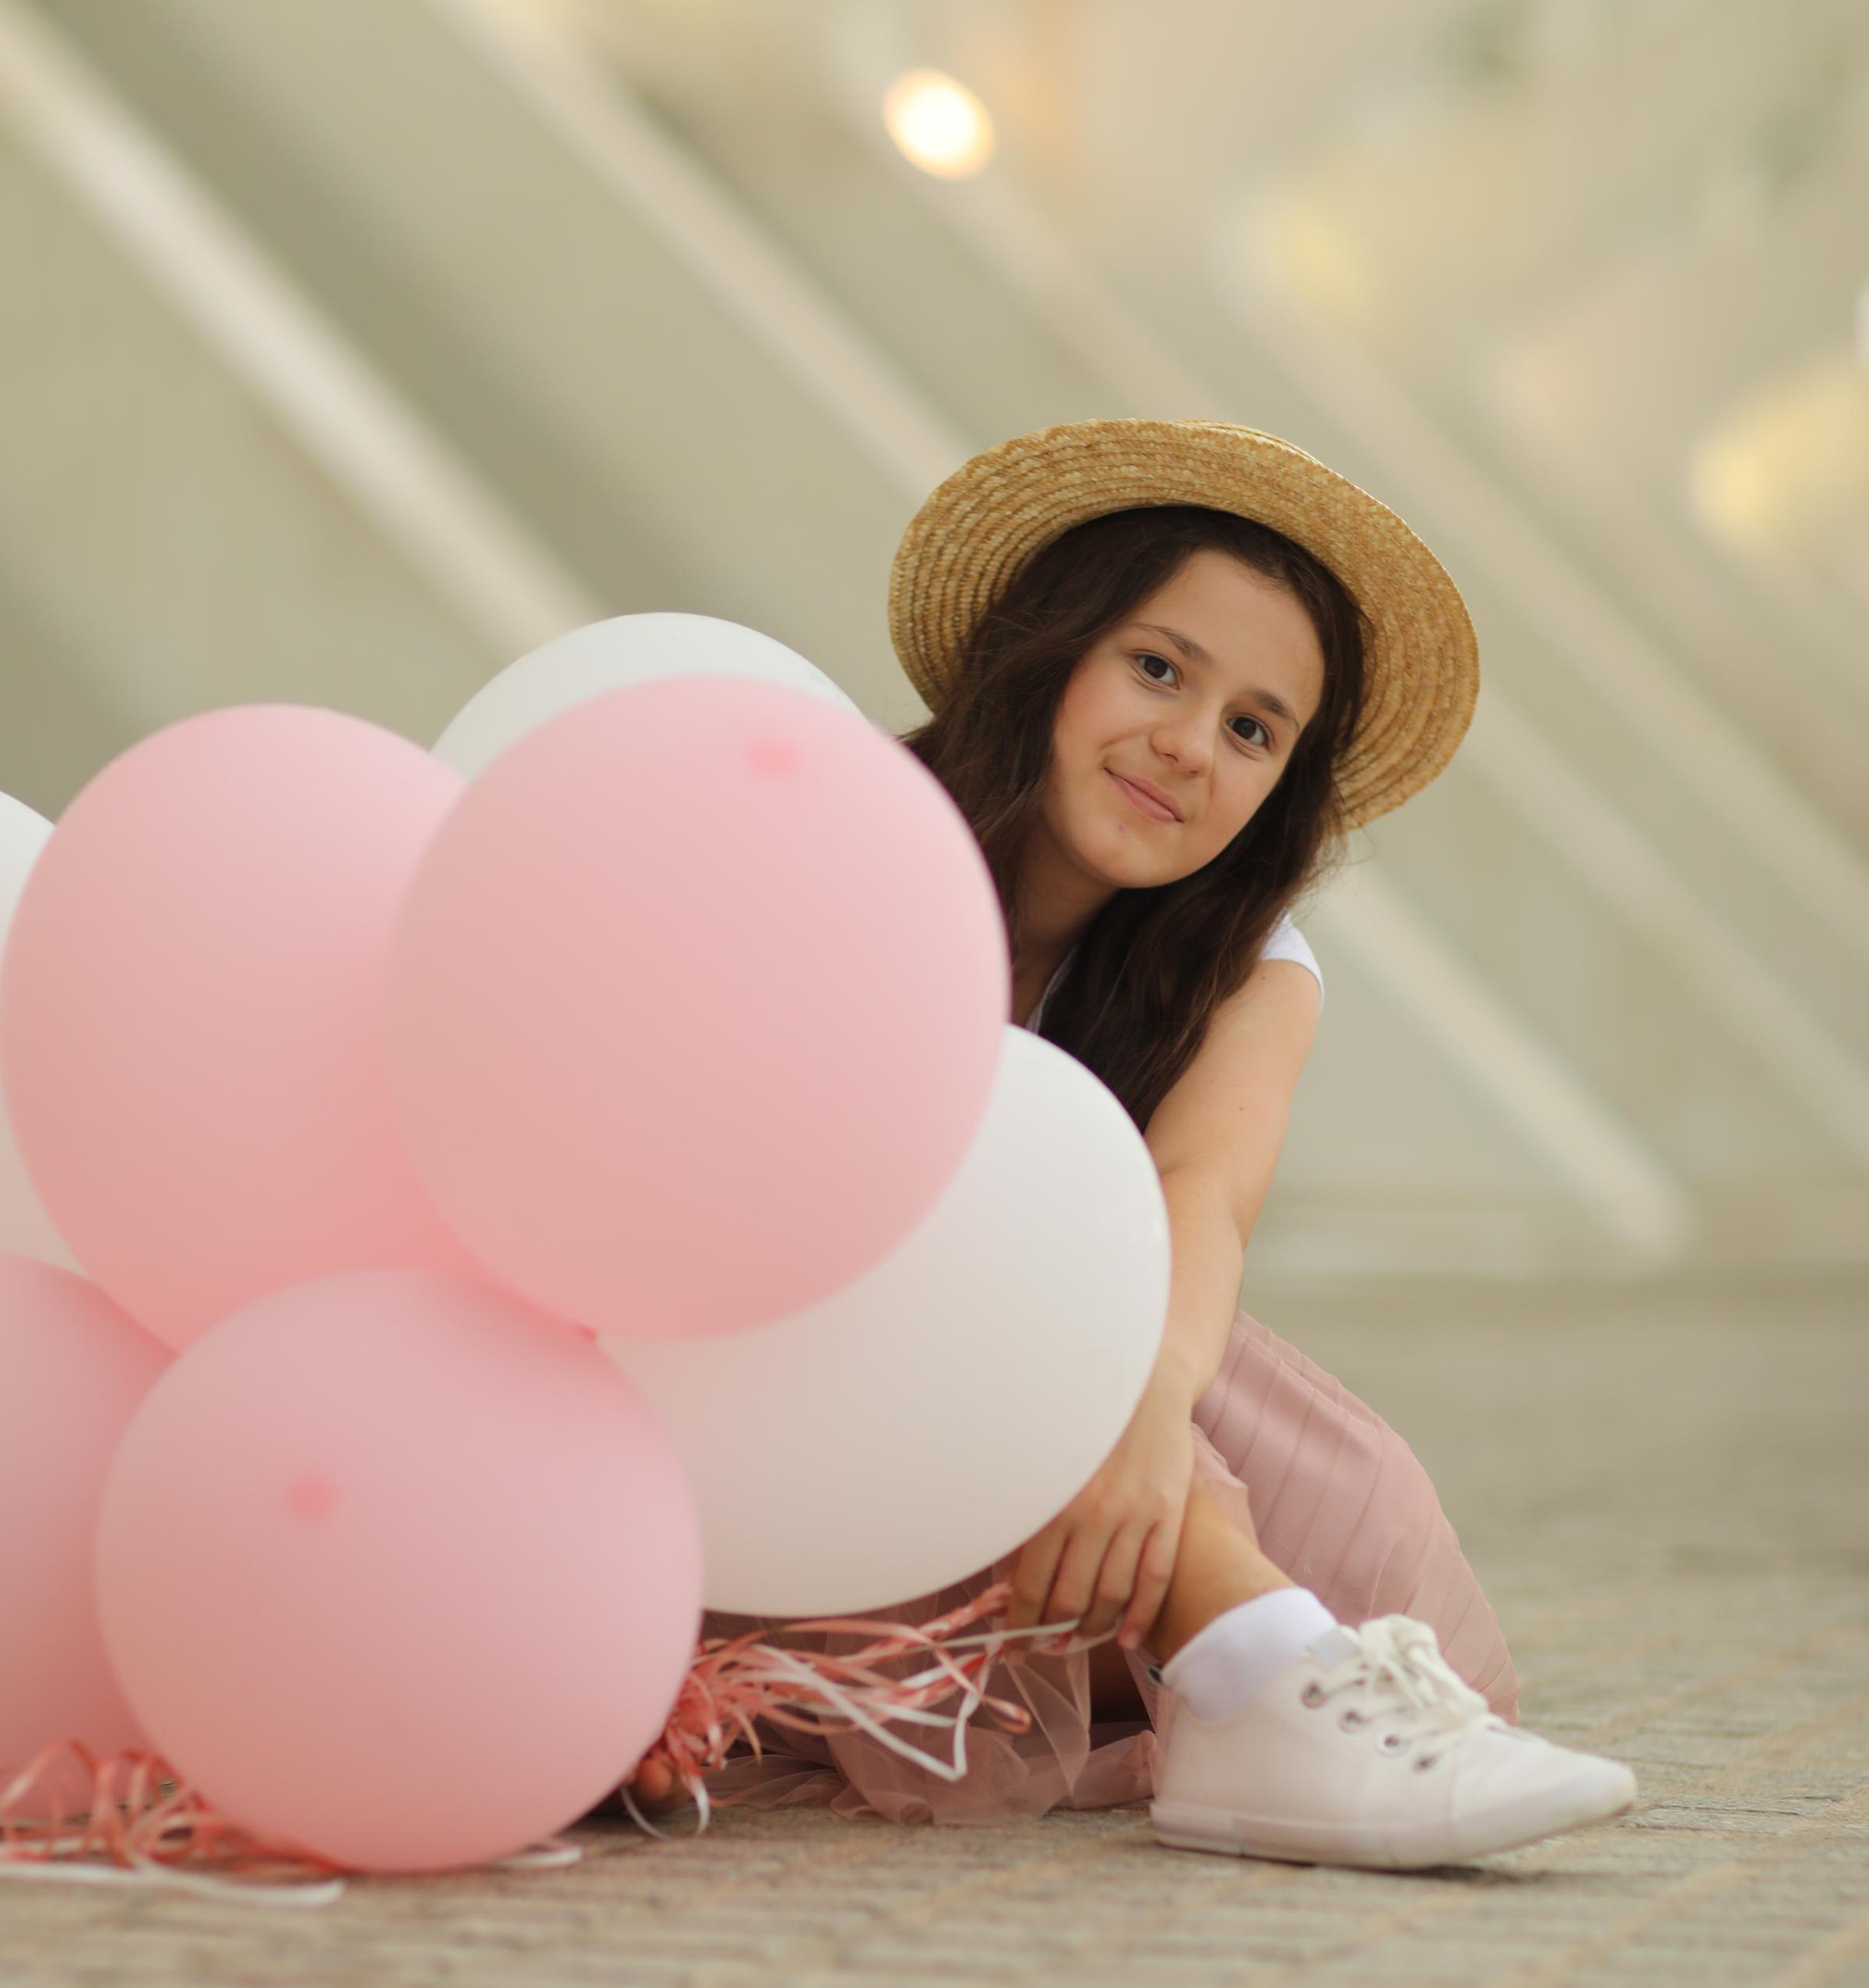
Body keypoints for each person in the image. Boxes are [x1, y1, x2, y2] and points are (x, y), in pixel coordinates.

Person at [634, 419, 1635, 1872]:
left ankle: (1239, 1663)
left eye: (1252, 729)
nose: (1187, 745)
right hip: (756, 1398)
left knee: (1323, 1497)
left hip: (1027, 1438)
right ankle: (1248, 1674)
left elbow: (1200, 1197)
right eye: (1158, 668)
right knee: (1002, 1254)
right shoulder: (848, 827)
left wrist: (1143, 1412)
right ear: (1053, 656)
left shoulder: (1250, 962)